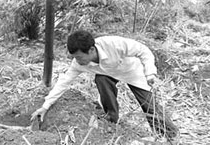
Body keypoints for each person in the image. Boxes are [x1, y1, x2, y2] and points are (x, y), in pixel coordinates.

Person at [31, 30, 178, 138]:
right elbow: (64, 82)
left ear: (91, 50)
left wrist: (150, 72)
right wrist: (45, 106)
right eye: (74, 57)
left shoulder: (114, 44)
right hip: (107, 74)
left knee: (148, 104)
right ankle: (111, 118)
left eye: (80, 57)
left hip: (130, 71)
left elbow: (143, 51)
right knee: (101, 79)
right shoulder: (78, 63)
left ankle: (170, 135)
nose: (78, 61)